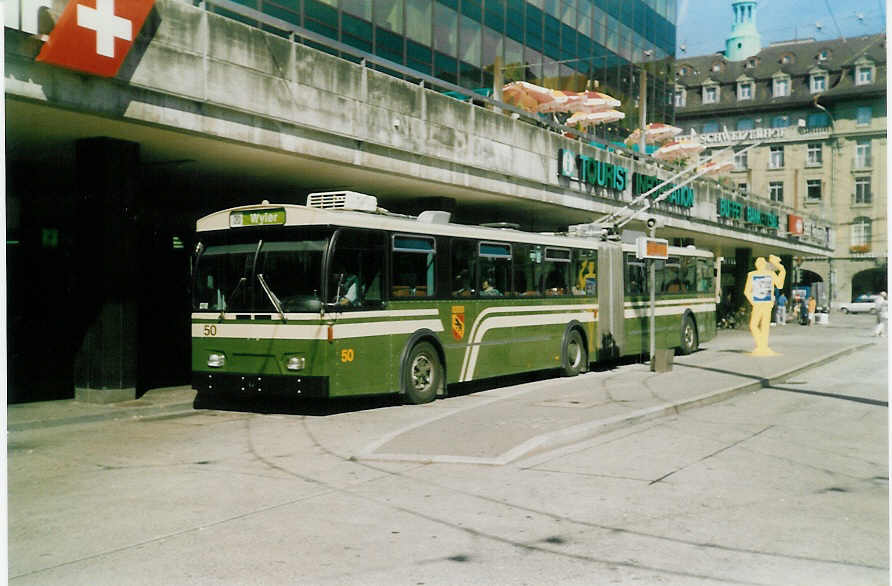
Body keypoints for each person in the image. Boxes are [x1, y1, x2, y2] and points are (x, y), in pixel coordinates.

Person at [743, 255, 785, 355]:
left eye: (762, 263)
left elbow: (779, 285)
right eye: (759, 263)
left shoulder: (766, 274)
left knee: (761, 325)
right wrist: (753, 302)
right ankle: (762, 346)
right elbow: (747, 291)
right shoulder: (754, 275)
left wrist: (782, 269)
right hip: (763, 303)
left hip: (764, 303)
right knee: (757, 325)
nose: (760, 265)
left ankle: (762, 346)